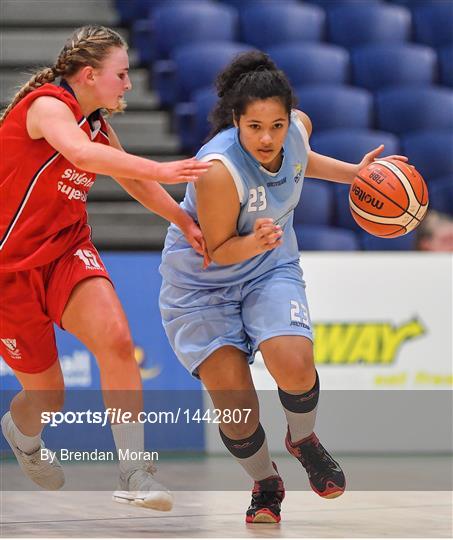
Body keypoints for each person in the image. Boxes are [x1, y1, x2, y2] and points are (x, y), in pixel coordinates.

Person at [159, 51, 410, 523]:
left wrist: (356, 174)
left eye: (276, 124)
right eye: (255, 127)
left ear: (289, 116)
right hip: (203, 284)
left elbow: (302, 161)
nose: (268, 137)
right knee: (235, 403)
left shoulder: (297, 129)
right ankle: (265, 483)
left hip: (268, 268)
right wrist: (252, 240)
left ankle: (303, 439)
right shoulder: (217, 169)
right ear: (236, 121)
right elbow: (218, 249)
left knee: (293, 362)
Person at [0, 25, 211, 511]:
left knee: (117, 341)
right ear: (90, 74)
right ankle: (22, 435)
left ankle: (136, 470)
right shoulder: (47, 106)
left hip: (66, 251)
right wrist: (160, 167)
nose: (129, 84)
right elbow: (78, 153)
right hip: (10, 271)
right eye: (121, 74)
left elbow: (126, 178)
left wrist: (182, 218)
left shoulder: (98, 125)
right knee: (48, 398)